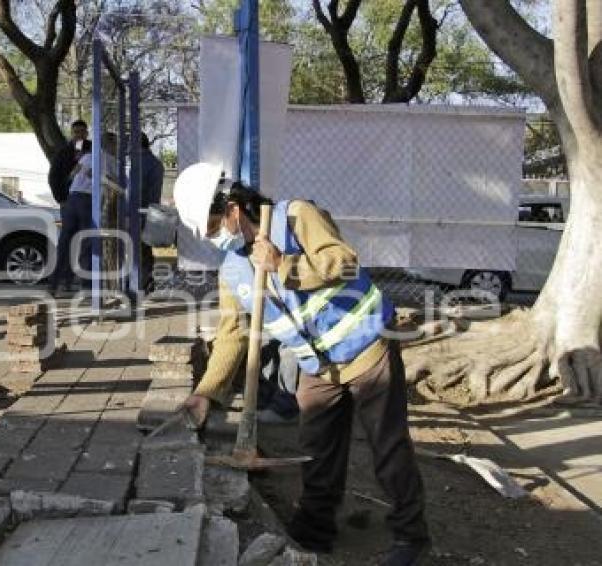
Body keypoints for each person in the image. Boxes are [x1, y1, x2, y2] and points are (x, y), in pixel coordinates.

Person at [172, 164, 430, 565]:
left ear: (233, 209)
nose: (213, 239)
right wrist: (206, 393)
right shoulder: (232, 271)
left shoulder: (295, 217)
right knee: (318, 450)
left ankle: (411, 538)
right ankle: (314, 529)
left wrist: (284, 266)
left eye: (211, 227)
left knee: (388, 447)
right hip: (319, 368)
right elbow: (232, 335)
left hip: (367, 347)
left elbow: (345, 261)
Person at [51, 131, 117, 293]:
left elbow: (72, 175)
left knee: (66, 242)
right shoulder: (110, 160)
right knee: (87, 242)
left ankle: (57, 282)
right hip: (88, 201)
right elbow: (114, 183)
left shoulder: (87, 157)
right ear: (110, 145)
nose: (116, 147)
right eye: (115, 144)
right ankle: (87, 284)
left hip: (72, 199)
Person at [139, 133, 164, 292]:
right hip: (151, 210)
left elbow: (136, 188)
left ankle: (142, 283)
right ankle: (148, 281)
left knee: (139, 249)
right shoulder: (156, 163)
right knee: (145, 249)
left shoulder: (141, 163)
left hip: (139, 210)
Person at [48, 119, 91, 205]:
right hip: (68, 198)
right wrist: (61, 199)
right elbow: (53, 177)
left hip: (89, 198)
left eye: (82, 132)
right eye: (76, 132)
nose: (79, 135)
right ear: (71, 134)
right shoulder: (63, 153)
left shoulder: (93, 149)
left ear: (87, 133)